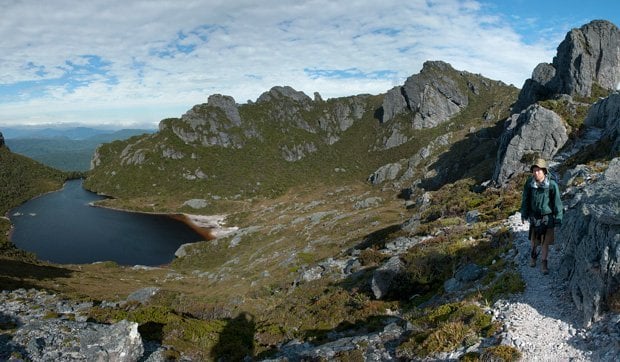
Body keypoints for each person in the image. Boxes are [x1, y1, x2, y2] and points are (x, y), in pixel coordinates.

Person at [520, 158, 563, 274]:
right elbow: (525, 199)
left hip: (547, 217)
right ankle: (533, 257)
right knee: (533, 239)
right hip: (534, 216)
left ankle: (544, 263)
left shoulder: (552, 185)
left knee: (545, 242)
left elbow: (557, 202)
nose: (536, 173)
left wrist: (558, 218)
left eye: (538, 170)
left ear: (544, 171)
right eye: (534, 170)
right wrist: (523, 213)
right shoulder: (530, 183)